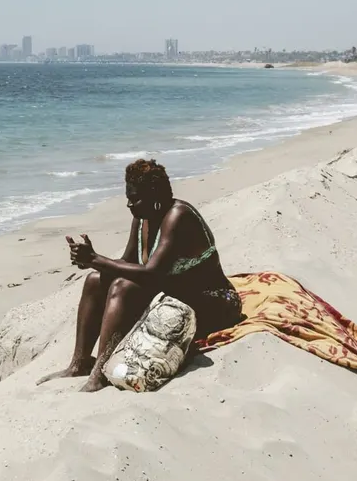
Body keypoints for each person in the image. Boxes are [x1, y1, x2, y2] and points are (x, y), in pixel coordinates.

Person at [40, 158, 243, 392]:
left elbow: (151, 273)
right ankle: (80, 364)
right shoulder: (142, 217)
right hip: (173, 295)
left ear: (154, 195)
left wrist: (96, 259)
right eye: (128, 197)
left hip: (213, 302)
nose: (129, 204)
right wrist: (89, 261)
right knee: (95, 281)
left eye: (134, 197)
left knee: (123, 288)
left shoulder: (178, 216)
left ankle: (100, 373)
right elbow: (126, 263)